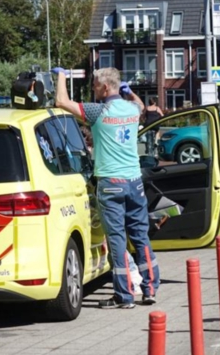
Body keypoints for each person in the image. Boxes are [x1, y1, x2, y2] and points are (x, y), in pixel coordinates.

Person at [53, 67, 160, 309]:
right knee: (141, 236)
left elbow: (61, 101)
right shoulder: (132, 109)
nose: (93, 90)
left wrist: (61, 75)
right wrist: (130, 92)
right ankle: (150, 288)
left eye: (94, 86)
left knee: (117, 239)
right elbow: (142, 106)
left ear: (105, 87)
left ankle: (125, 295)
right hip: (134, 183)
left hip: (111, 184)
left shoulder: (99, 111)